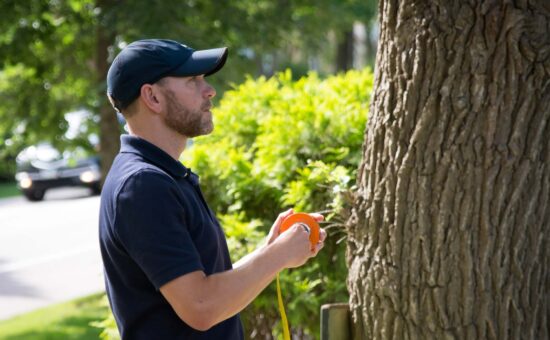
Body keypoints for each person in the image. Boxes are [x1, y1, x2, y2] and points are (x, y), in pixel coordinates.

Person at [99, 39, 326, 340]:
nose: (209, 90)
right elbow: (201, 307)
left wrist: (270, 250)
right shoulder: (143, 185)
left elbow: (208, 286)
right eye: (192, 81)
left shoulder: (163, 176)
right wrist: (279, 256)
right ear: (152, 97)